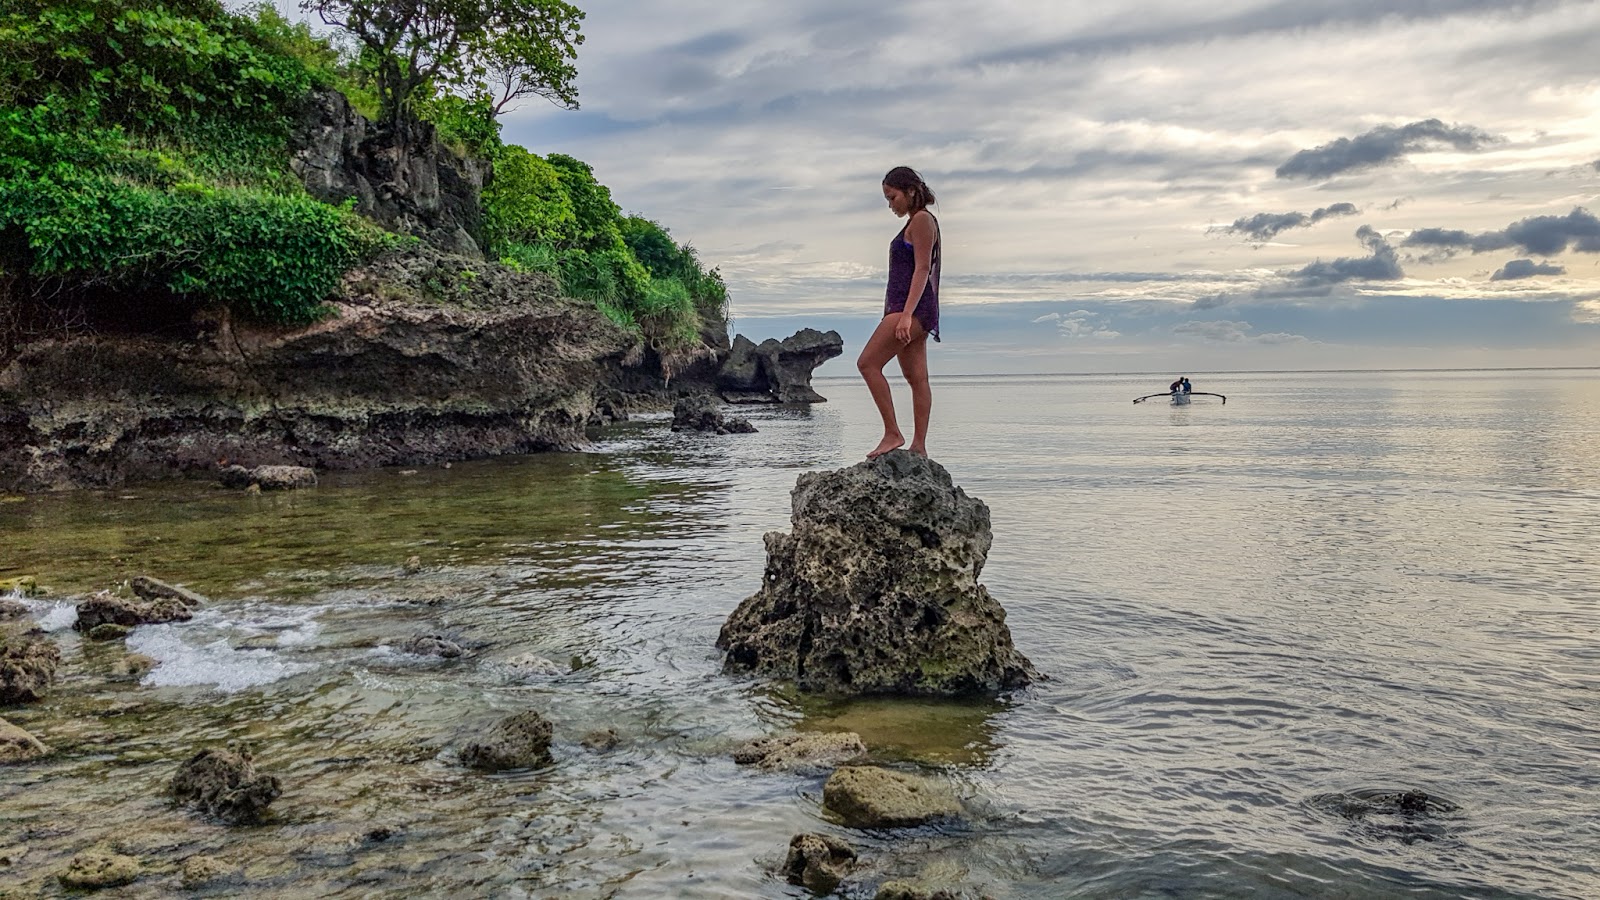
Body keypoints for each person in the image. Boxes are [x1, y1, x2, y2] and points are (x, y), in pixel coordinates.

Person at [858, 166, 941, 459]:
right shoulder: (915, 222)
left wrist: (906, 315)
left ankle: (893, 432)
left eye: (892, 197)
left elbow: (922, 268)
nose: (890, 204)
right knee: (917, 379)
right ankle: (918, 447)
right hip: (911, 308)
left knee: (867, 364)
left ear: (909, 191)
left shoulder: (921, 220)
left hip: (911, 308)